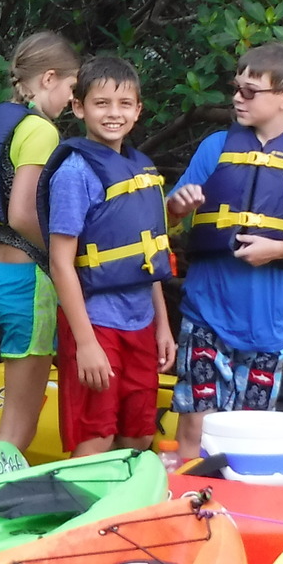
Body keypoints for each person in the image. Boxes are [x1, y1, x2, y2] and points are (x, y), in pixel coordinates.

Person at [165, 42, 283, 459]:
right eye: (237, 87)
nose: (237, 97)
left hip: (267, 324)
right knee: (196, 426)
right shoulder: (215, 146)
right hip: (206, 311)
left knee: (249, 433)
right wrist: (176, 208)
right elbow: (165, 220)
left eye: (251, 91)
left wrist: (280, 249)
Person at [43, 57, 176, 456]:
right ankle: (87, 515)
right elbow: (60, 262)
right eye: (101, 103)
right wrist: (85, 344)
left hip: (142, 323)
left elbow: (148, 258)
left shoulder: (140, 168)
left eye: (124, 104)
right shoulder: (75, 173)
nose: (113, 114)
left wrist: (163, 326)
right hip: (95, 323)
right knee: (95, 434)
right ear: (79, 107)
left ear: (138, 110)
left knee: (138, 435)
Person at [0, 32, 79, 453]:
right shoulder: (39, 131)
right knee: (19, 426)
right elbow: (21, 215)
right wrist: (65, 261)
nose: (72, 99)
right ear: (49, 78)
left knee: (15, 419)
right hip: (30, 283)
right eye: (71, 87)